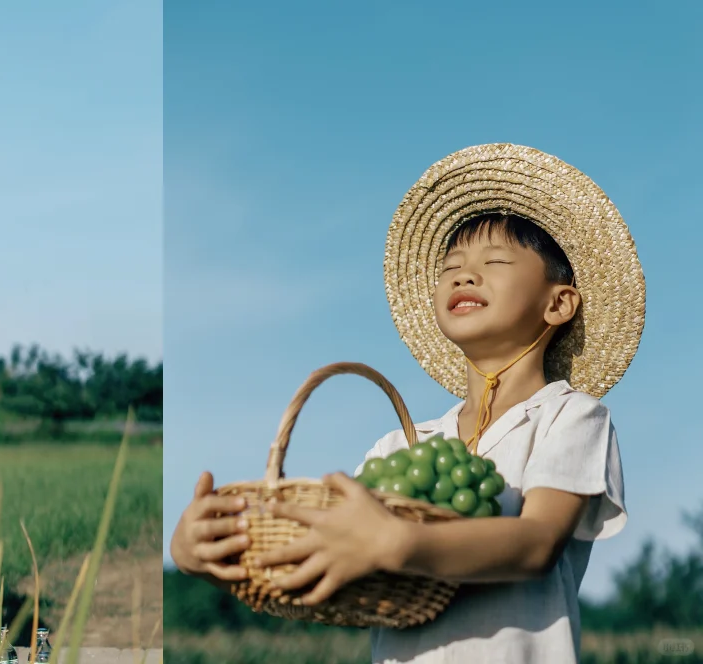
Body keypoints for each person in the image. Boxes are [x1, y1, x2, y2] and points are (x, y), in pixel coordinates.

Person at [170, 143, 645, 664]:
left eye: (495, 261)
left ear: (558, 303)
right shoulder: (400, 446)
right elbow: (329, 554)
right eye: (452, 267)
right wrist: (213, 553)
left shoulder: (569, 416)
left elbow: (536, 544)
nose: (464, 275)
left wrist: (398, 543)